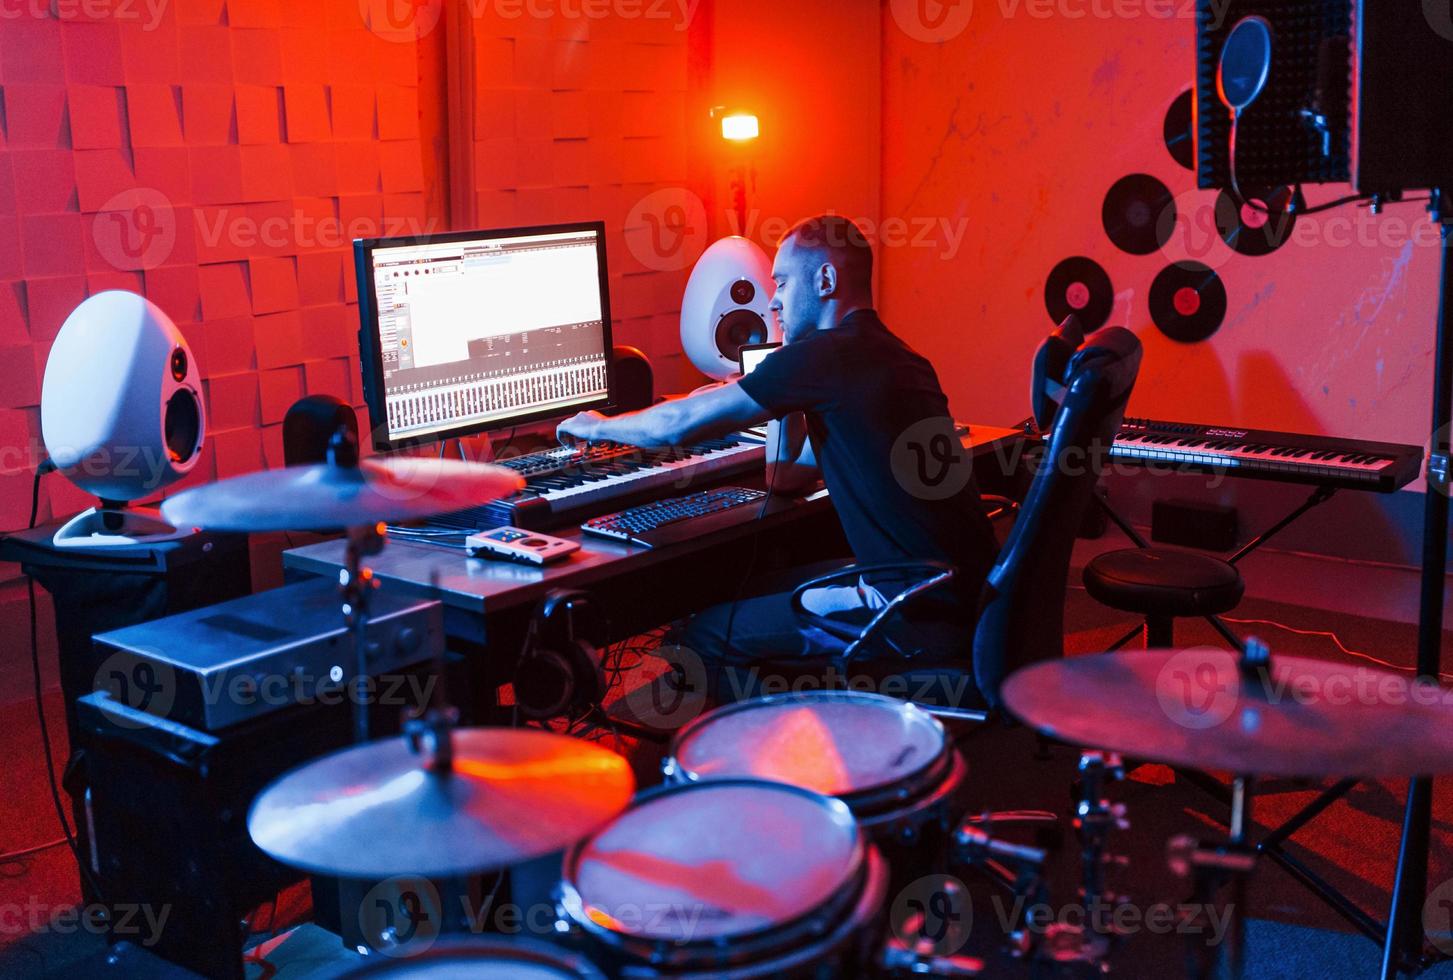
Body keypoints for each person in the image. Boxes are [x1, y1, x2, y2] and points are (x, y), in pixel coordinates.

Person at [557, 215, 999, 703]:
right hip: (960, 594)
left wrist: (596, 427)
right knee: (751, 588)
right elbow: (784, 476)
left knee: (703, 636)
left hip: (909, 608)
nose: (773, 301)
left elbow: (679, 423)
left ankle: (783, 760)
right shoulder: (893, 355)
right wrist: (783, 384)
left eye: (783, 283)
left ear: (826, 281)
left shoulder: (828, 357)